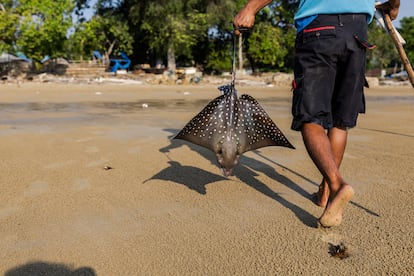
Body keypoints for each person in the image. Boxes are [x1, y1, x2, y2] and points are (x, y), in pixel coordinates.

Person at [233, 0, 400, 227]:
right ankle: (325, 194)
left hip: (319, 28)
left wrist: (250, 8)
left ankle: (336, 184)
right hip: (357, 31)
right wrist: (394, 5)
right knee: (340, 122)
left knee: (310, 117)